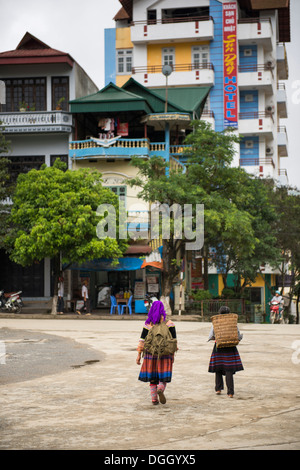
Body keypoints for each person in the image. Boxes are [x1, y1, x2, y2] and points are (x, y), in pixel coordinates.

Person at [136, 301, 177, 405]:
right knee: (163, 375)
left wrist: (138, 356)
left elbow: (142, 341)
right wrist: (172, 354)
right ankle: (160, 388)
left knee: (152, 376)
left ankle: (154, 399)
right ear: (163, 310)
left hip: (151, 353)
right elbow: (174, 341)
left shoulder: (148, 324)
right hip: (165, 353)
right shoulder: (170, 324)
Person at [208, 306, 243, 398]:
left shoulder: (215, 322)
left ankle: (218, 389)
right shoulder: (233, 322)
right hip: (230, 347)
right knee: (229, 370)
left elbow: (211, 335)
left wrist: (217, 338)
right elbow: (239, 336)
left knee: (218, 368)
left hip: (219, 347)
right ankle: (230, 392)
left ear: (219, 313)